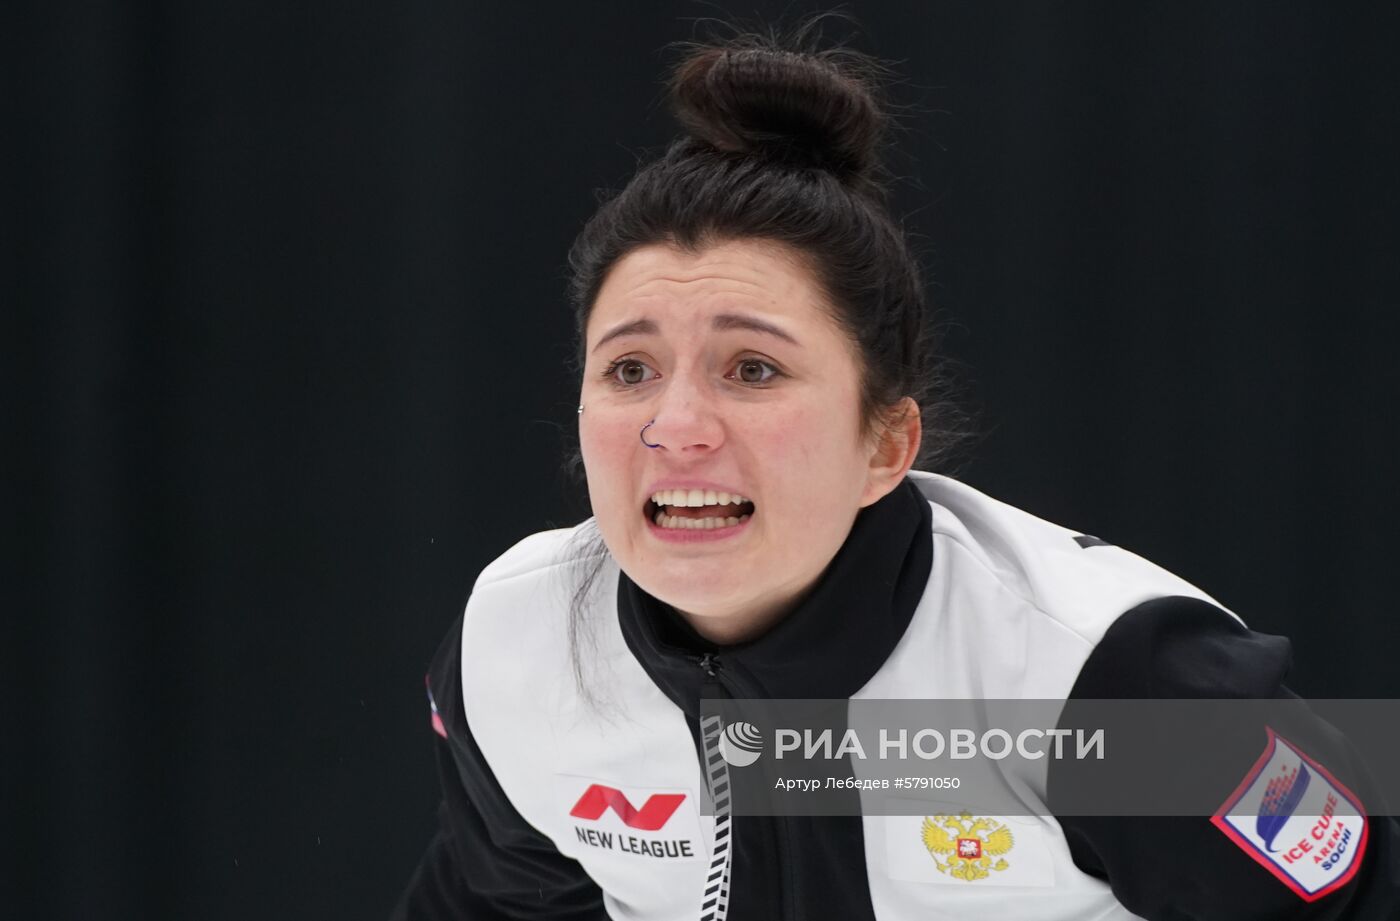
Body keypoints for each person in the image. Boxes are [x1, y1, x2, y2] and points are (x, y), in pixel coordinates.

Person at [392, 27, 1398, 921]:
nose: (676, 425)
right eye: (628, 369)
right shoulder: (516, 646)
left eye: (752, 368)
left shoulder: (1103, 684)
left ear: (884, 447)